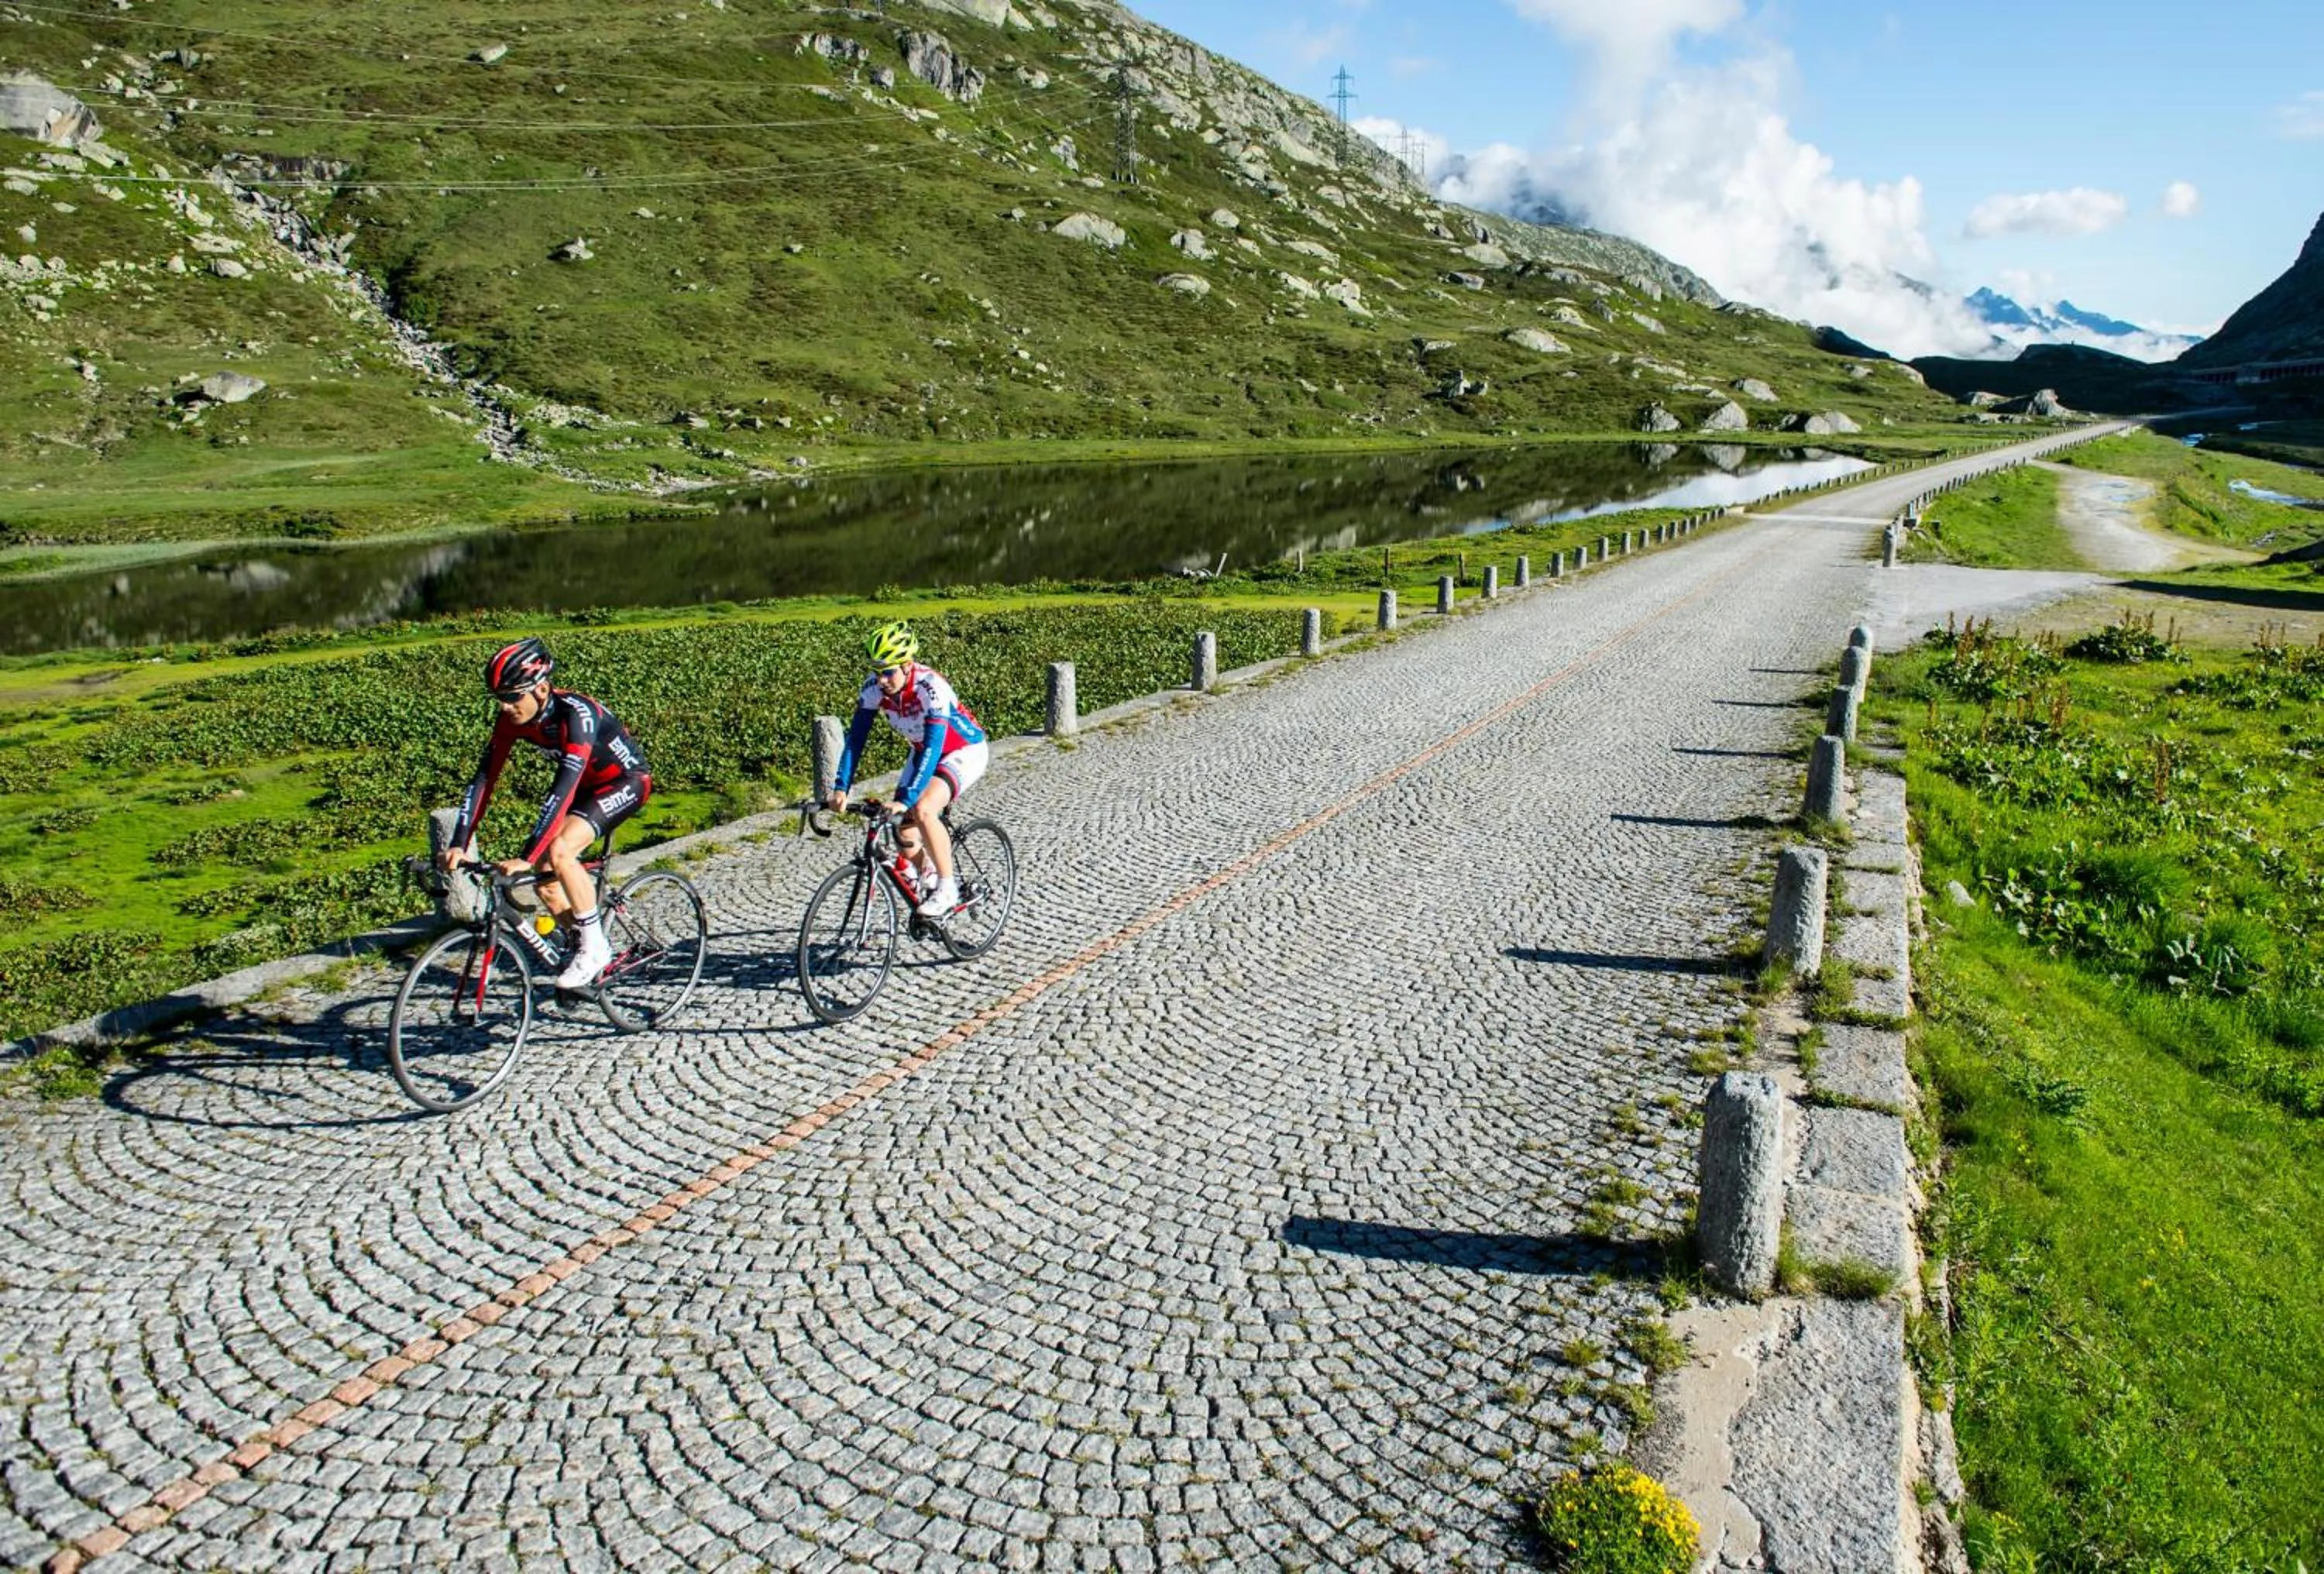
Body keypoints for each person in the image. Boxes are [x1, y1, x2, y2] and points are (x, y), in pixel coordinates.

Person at [439, 638, 651, 988]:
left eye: (511, 697)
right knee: (547, 884)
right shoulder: (511, 720)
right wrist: (460, 842)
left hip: (626, 781)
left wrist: (526, 854)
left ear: (540, 689)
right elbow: (483, 780)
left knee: (559, 852)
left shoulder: (576, 715)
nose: (505, 707)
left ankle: (595, 949)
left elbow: (563, 789)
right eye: (499, 698)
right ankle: (589, 944)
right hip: (587, 787)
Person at [825, 622, 988, 917]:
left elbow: (934, 746)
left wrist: (907, 797)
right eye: (877, 671)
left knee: (923, 809)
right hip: (921, 751)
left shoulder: (931, 687)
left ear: (907, 665)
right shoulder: (874, 689)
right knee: (903, 829)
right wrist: (840, 787)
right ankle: (929, 870)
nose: (882, 680)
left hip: (962, 750)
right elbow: (856, 740)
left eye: (888, 671)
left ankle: (948, 888)